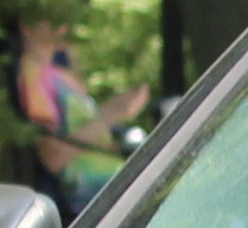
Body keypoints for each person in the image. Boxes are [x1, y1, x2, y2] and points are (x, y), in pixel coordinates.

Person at [12, 14, 147, 214]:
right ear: (26, 24)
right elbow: (53, 156)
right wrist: (109, 115)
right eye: (52, 15)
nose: (63, 26)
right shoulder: (32, 75)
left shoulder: (64, 77)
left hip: (122, 189)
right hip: (97, 206)